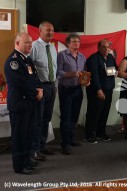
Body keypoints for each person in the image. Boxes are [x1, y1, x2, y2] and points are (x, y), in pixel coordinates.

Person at [4, 32, 43, 175]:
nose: (30, 45)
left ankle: (26, 160)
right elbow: (21, 83)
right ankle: (20, 166)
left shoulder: (26, 60)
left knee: (28, 134)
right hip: (20, 104)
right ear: (17, 43)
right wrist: (36, 93)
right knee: (20, 136)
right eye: (26, 42)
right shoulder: (13, 61)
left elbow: (35, 77)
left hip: (30, 103)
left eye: (31, 43)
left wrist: (40, 89)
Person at [30, 21, 57, 160]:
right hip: (40, 86)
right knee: (38, 119)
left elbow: (54, 67)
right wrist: (36, 87)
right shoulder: (34, 46)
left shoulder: (52, 47)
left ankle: (42, 146)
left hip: (52, 86)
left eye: (52, 30)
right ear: (40, 31)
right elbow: (29, 68)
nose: (50, 33)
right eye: (47, 30)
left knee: (46, 118)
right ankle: (34, 150)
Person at [57, 33, 86, 154]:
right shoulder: (62, 55)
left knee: (74, 116)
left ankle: (71, 138)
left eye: (78, 41)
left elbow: (83, 72)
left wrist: (86, 80)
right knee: (66, 117)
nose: (76, 44)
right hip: (66, 89)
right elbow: (58, 72)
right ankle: (65, 144)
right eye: (74, 42)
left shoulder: (82, 57)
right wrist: (72, 74)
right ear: (68, 43)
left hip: (78, 89)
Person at [84, 40, 118, 144]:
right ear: (98, 48)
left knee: (104, 113)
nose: (106, 49)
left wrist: (116, 72)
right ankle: (89, 135)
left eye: (108, 47)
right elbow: (94, 75)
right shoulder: (93, 58)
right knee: (94, 113)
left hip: (108, 90)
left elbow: (115, 68)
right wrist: (99, 90)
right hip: (96, 91)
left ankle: (100, 132)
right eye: (103, 47)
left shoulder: (110, 57)